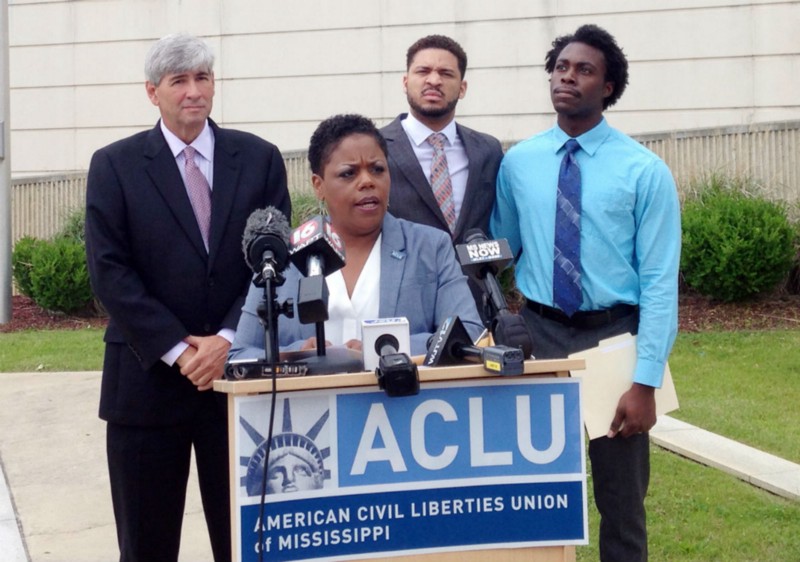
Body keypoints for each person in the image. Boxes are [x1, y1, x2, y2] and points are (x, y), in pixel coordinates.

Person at [84, 33, 291, 562]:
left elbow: (273, 259)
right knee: (146, 546)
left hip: (237, 384)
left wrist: (226, 339)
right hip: (146, 384)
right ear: (153, 92)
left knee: (247, 544)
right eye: (180, 81)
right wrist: (181, 349)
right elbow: (110, 272)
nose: (194, 91)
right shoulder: (115, 166)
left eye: (203, 78)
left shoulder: (260, 159)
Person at [490, 25, 680, 562]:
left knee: (621, 504)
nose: (568, 77)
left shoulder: (645, 171)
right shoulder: (518, 163)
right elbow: (501, 253)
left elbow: (661, 283)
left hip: (613, 340)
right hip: (540, 336)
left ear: (609, 88)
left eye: (584, 70)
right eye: (561, 67)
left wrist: (644, 381)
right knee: (538, 496)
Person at [230, 113, 483, 360]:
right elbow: (240, 354)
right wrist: (295, 354)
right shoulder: (279, 255)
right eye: (349, 173)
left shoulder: (430, 246)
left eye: (377, 169)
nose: (367, 181)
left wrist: (385, 347)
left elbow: (468, 333)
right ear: (319, 185)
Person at [380, 35, 504, 319]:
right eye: (423, 71)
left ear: (462, 88)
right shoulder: (376, 148)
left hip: (474, 306)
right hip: (400, 306)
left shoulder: (488, 150)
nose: (433, 80)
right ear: (405, 81)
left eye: (445, 73)